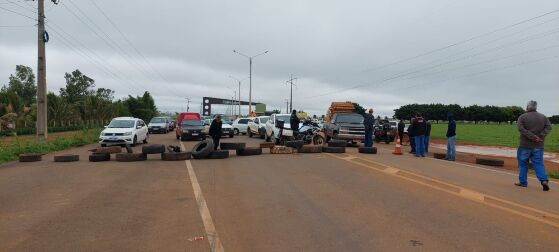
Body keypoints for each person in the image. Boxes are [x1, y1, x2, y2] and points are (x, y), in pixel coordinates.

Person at [515, 100, 552, 191]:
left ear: (527, 107)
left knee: (523, 164)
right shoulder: (543, 117)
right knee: (538, 163)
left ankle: (523, 182)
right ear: (536, 107)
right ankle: (543, 180)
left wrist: (532, 136)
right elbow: (549, 127)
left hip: (525, 145)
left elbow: (521, 129)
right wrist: (540, 136)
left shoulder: (522, 117)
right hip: (539, 145)